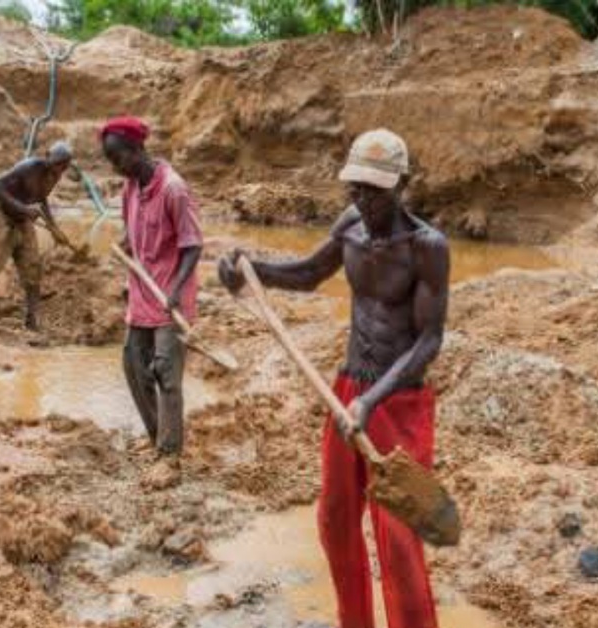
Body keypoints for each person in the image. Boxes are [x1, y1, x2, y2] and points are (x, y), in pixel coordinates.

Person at [218, 129, 449, 628]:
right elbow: (307, 274)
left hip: (399, 403)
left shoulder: (427, 247)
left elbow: (428, 341)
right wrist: (249, 270)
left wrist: (373, 401)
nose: (363, 200)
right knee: (335, 520)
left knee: (399, 539)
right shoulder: (350, 225)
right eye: (356, 188)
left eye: (375, 191)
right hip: (347, 389)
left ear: (402, 184)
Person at [99, 116, 203, 469]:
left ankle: (170, 455)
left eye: (118, 157)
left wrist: (175, 289)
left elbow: (193, 246)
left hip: (170, 297)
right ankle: (158, 436)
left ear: (137, 148)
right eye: (110, 160)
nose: (115, 167)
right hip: (142, 293)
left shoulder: (174, 189)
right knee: (133, 365)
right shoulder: (129, 188)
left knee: (166, 374)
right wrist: (125, 245)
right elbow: (134, 234)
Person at [0, 141, 74, 330]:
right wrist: (22, 208)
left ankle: (32, 320)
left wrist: (53, 227)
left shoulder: (54, 175)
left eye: (63, 166)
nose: (59, 170)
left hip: (23, 222)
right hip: (2, 217)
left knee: (32, 269)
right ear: (47, 156)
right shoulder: (29, 167)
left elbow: (42, 198)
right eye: (57, 164)